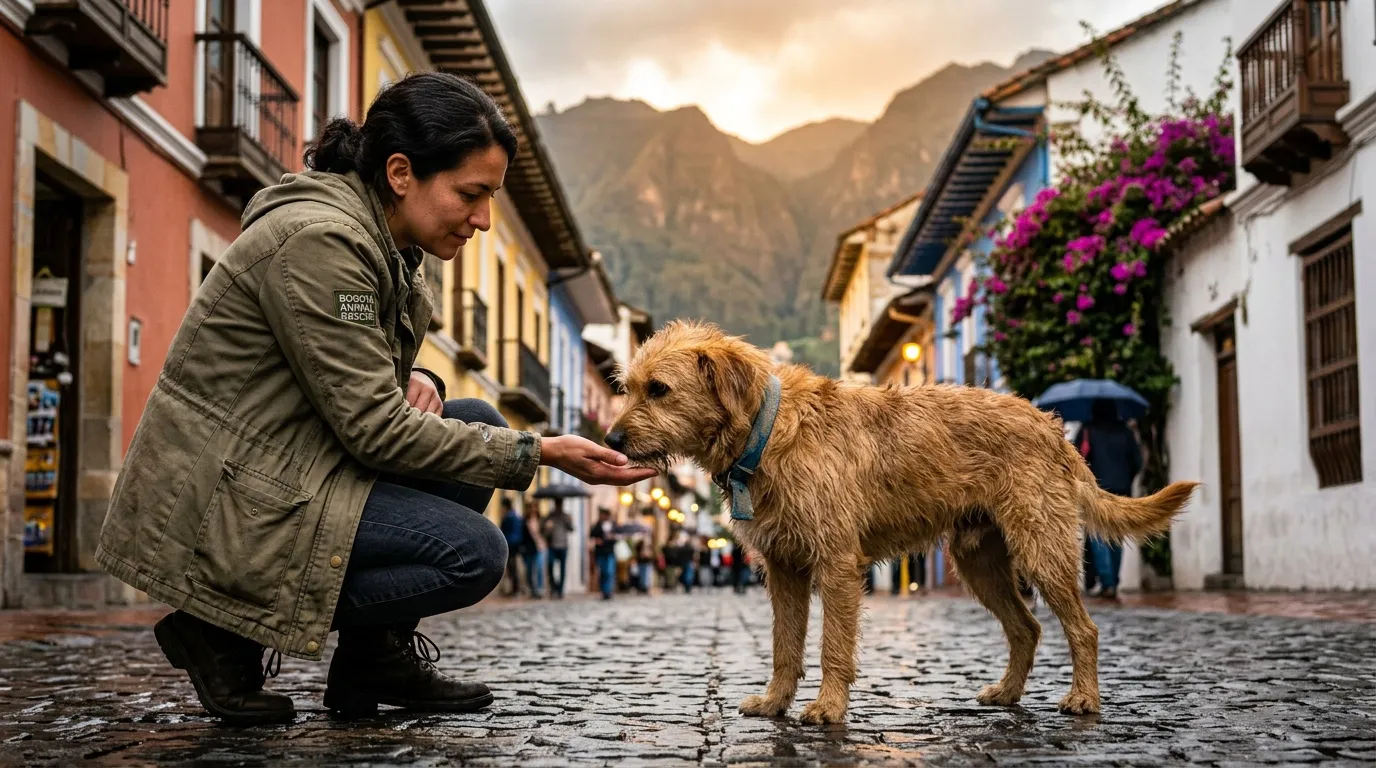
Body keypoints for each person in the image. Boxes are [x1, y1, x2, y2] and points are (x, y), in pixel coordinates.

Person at [93, 72, 656, 724]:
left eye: (490, 198)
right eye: (471, 194)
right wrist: (541, 452)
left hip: (292, 468)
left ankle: (372, 657)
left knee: (471, 414)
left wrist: (424, 381)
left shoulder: (387, 249)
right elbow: (372, 429)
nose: (483, 219)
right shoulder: (322, 242)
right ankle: (222, 629)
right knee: (474, 553)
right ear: (399, 173)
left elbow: (347, 378)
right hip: (234, 499)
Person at [1077, 398, 1144, 600]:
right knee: (1116, 537)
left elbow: (1076, 459)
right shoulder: (1125, 432)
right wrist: (1126, 479)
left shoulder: (1088, 430)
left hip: (1096, 490)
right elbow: (1138, 462)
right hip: (1121, 490)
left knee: (1098, 536)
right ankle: (1113, 579)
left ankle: (1107, 582)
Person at [542, 499, 575, 599]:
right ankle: (554, 587)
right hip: (552, 545)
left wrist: (569, 520)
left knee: (562, 569)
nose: (558, 506)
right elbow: (543, 530)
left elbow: (571, 529)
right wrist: (547, 527)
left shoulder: (566, 516)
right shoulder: (550, 516)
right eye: (557, 504)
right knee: (550, 566)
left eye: (560, 504)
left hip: (563, 545)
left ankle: (560, 590)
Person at [589, 508, 618, 600]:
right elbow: (592, 535)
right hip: (600, 552)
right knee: (602, 572)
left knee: (609, 572)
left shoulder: (613, 525)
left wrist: (612, 537)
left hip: (609, 552)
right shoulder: (597, 525)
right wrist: (597, 540)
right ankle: (604, 591)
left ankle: (608, 591)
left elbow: (617, 536)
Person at [520, 504, 547, 598]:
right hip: (528, 548)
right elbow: (523, 536)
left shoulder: (541, 520)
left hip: (540, 547)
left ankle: (539, 589)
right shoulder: (524, 521)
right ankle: (532, 589)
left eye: (535, 507)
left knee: (539, 568)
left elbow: (545, 533)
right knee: (529, 570)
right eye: (531, 507)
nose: (533, 509)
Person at [499, 497, 524, 597]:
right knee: (513, 567)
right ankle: (515, 589)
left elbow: (503, 531)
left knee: (512, 567)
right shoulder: (516, 516)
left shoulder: (508, 517)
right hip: (516, 544)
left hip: (510, 544)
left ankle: (515, 590)